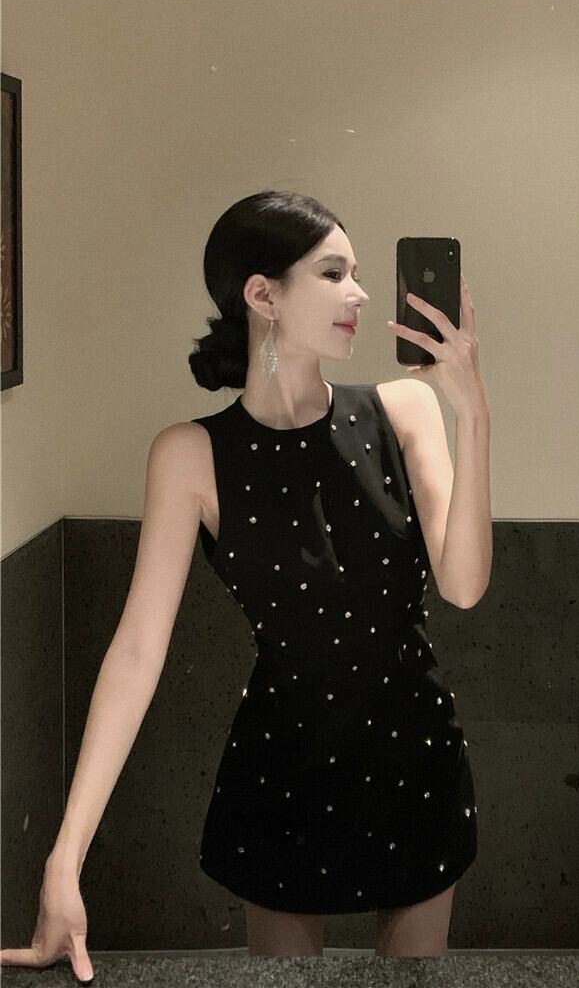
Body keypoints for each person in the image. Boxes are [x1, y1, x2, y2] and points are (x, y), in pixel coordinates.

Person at [0, 190, 492, 975]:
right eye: (334, 273)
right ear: (263, 295)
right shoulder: (189, 456)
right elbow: (136, 652)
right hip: (283, 769)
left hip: (414, 760)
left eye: (357, 273)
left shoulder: (407, 409)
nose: (361, 294)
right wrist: (64, 863)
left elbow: (464, 587)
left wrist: (474, 416)